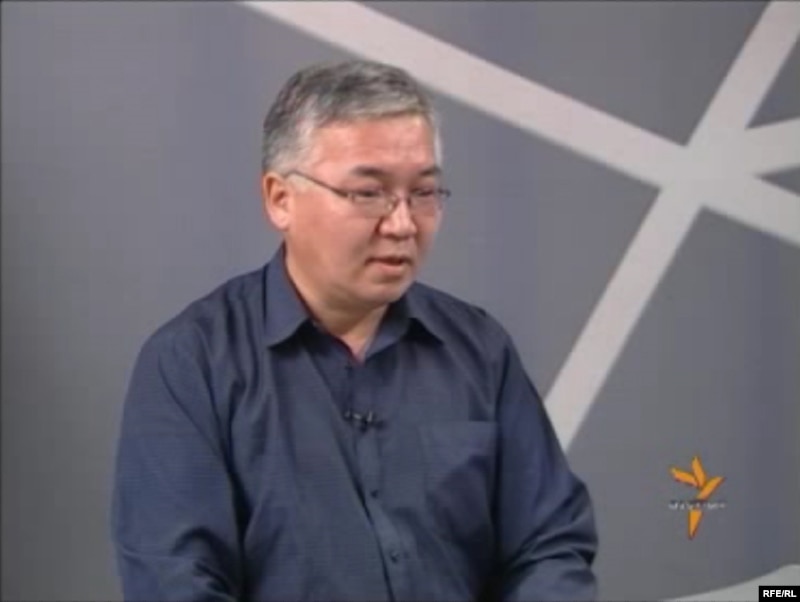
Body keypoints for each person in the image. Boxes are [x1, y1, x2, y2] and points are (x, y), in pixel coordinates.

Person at [111, 59, 597, 601]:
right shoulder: (192, 363)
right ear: (280, 198)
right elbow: (176, 583)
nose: (402, 223)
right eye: (368, 193)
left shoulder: (479, 350)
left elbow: (550, 547)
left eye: (424, 193)